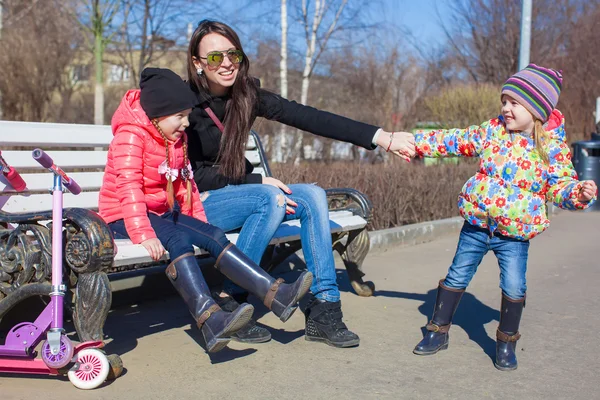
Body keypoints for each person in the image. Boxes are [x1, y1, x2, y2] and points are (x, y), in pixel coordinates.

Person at [184, 19, 416, 348]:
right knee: (271, 198)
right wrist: (257, 180)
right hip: (201, 200)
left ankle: (325, 310)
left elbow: (308, 116)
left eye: (232, 55)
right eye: (214, 58)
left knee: (312, 196)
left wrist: (381, 137)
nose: (226, 64)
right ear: (197, 63)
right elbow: (191, 175)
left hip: (241, 193)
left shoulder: (247, 95)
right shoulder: (185, 104)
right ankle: (230, 299)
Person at [98, 67, 313, 354]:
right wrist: (143, 234)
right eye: (180, 116)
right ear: (158, 114)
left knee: (211, 233)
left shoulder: (174, 138)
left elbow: (187, 187)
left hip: (160, 214)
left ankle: (276, 294)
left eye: (188, 115)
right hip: (123, 216)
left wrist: (199, 225)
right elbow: (128, 188)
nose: (187, 123)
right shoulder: (131, 135)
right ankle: (209, 318)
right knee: (178, 239)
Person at [408, 64, 597, 370]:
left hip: (515, 235)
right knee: (457, 275)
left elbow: (561, 185)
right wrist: (415, 143)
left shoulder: (551, 148)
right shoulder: (492, 131)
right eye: (504, 101)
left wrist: (579, 193)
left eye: (515, 103)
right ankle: (437, 331)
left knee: (514, 287)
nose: (506, 108)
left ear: (536, 110)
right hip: (478, 226)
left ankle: (506, 343)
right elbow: (455, 139)